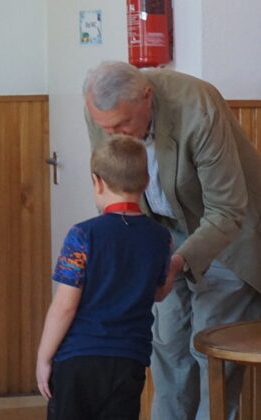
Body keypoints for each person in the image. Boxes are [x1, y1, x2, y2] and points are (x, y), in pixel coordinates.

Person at [83, 61, 261, 420]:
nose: (114, 135)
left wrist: (178, 262)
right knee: (168, 349)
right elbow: (113, 190)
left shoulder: (197, 108)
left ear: (147, 97)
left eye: (122, 124)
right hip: (160, 232)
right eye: (106, 128)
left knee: (211, 350)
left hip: (227, 235)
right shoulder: (102, 114)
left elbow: (227, 211)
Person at [36, 136, 172, 420]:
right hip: (129, 359)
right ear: (146, 181)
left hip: (78, 358)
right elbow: (158, 292)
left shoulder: (82, 235)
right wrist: (175, 266)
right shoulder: (160, 237)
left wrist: (43, 358)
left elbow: (64, 306)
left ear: (97, 182)